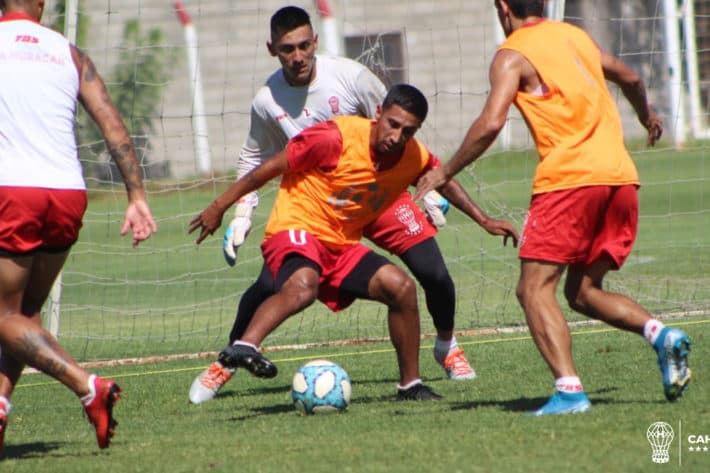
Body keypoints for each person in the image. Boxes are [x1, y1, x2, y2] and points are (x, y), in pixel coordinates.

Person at [189, 5, 518, 404]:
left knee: (429, 273)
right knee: (274, 284)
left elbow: (400, 123)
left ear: (315, 42)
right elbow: (258, 159)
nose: (298, 56)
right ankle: (230, 358)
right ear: (272, 49)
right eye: (287, 48)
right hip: (316, 205)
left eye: (304, 45)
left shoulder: (350, 78)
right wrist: (240, 210)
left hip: (377, 196)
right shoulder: (269, 101)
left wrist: (442, 197)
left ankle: (445, 348)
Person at [414, 0, 691, 415]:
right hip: (620, 179)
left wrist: (444, 171)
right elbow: (631, 77)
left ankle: (570, 391)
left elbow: (491, 123)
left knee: (532, 289)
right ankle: (662, 336)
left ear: (502, 7)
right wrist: (646, 115)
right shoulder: (574, 36)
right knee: (581, 292)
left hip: (569, 182)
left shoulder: (513, 53)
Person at [0, 0, 157, 452]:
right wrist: (136, 196)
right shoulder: (69, 53)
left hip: (13, 192)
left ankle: (89, 387)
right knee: (24, 317)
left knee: (2, 316)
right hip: (67, 193)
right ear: (42, 4)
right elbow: (112, 127)